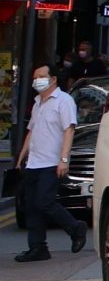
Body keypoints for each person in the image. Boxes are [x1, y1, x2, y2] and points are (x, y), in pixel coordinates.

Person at [13, 64, 84, 262]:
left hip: (51, 162)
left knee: (45, 202)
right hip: (33, 162)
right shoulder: (38, 103)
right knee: (32, 206)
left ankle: (75, 228)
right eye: (35, 77)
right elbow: (32, 131)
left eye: (41, 76)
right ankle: (38, 247)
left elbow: (69, 130)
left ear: (53, 79)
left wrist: (63, 159)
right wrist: (21, 158)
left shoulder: (64, 101)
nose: (37, 80)